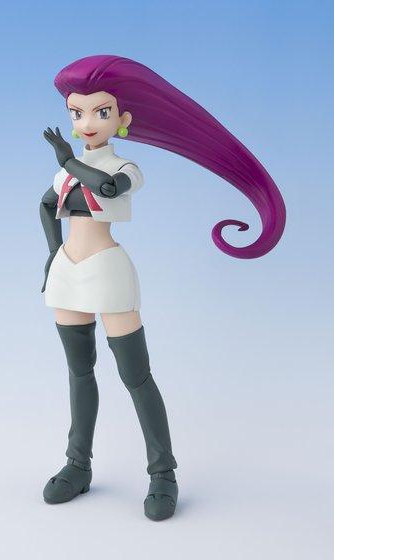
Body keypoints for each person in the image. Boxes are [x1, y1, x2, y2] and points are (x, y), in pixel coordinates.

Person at [39, 55, 286, 521]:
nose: (87, 122)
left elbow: (107, 189)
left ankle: (163, 473)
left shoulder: (125, 167)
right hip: (67, 271)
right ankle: (77, 464)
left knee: (135, 376)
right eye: (77, 112)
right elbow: (48, 203)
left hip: (107, 270)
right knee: (79, 372)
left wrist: (68, 160)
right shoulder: (65, 171)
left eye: (100, 111)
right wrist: (53, 252)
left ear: (123, 119)